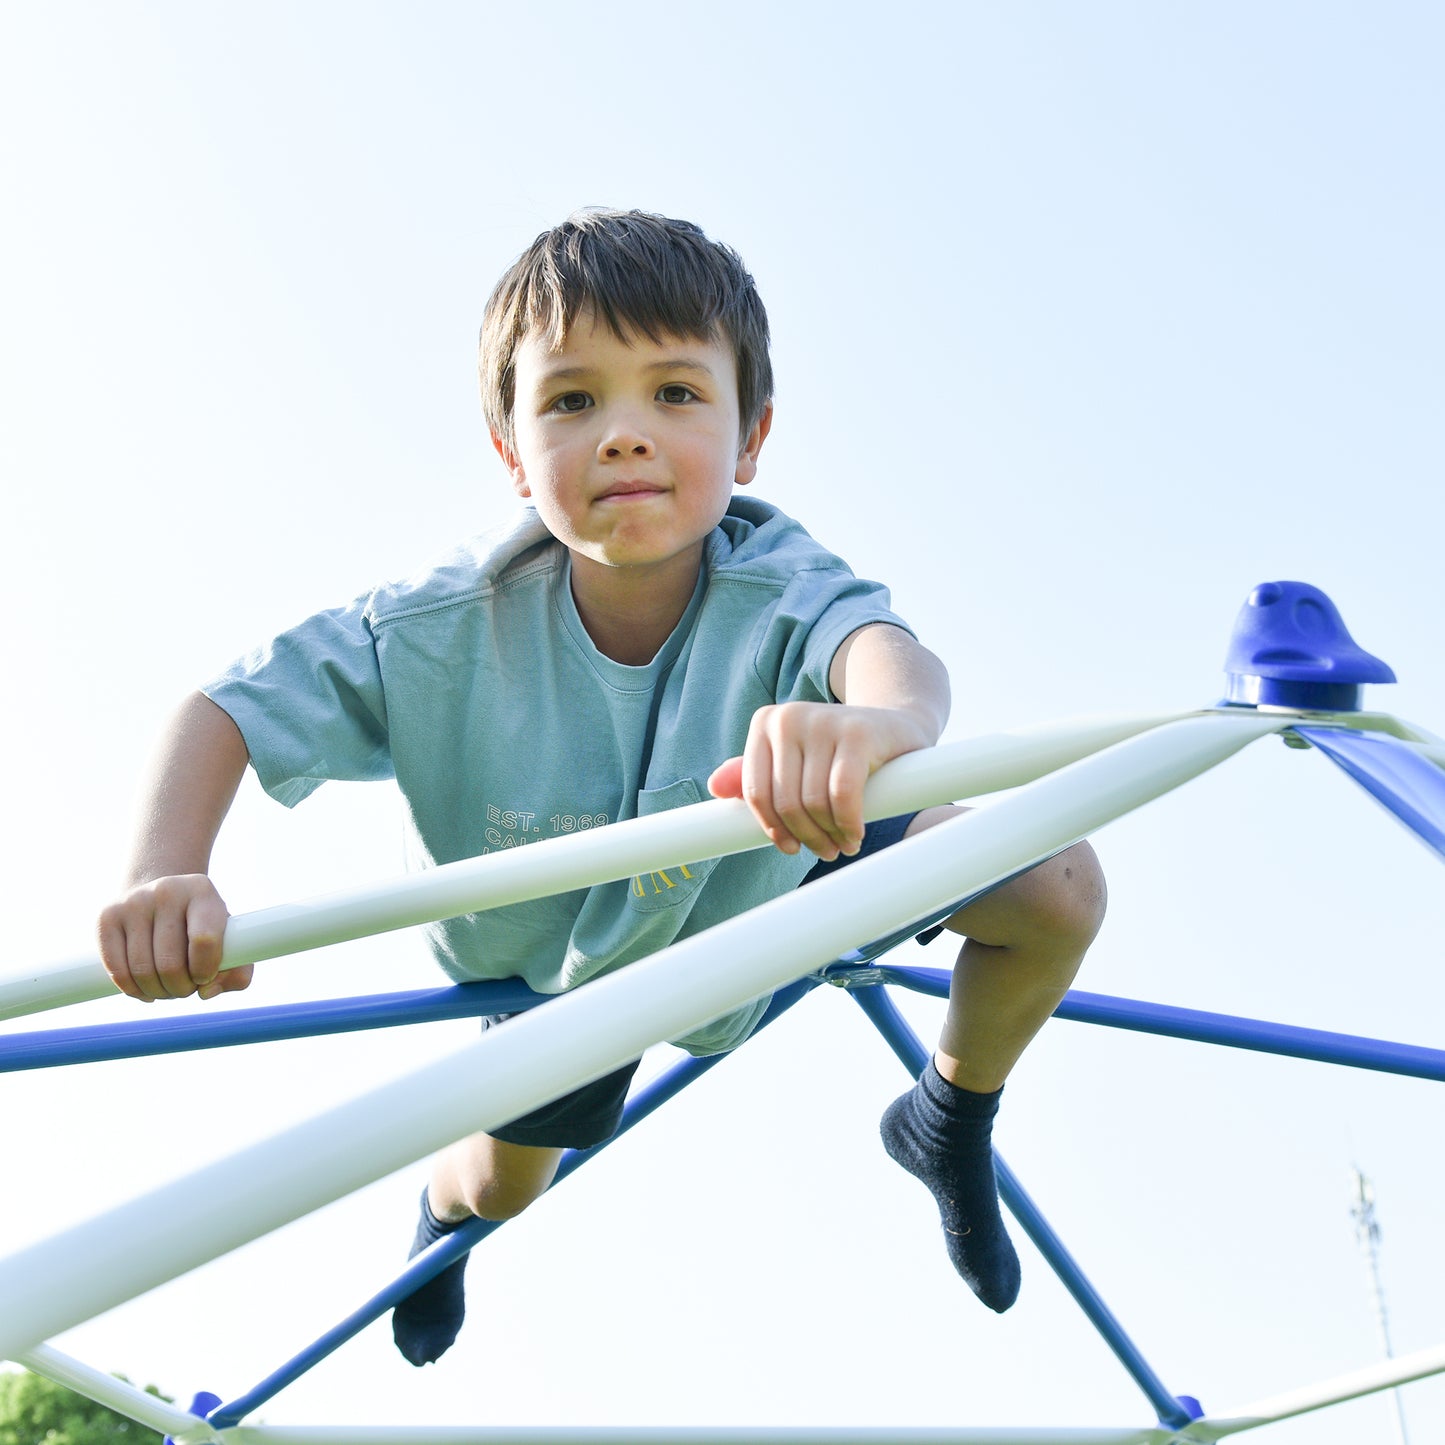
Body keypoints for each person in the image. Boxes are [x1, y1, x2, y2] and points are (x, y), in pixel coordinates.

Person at [97, 209, 1106, 1366]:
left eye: (675, 393)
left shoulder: (778, 579)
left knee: (1056, 883)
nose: (625, 434)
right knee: (504, 1182)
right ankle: (445, 1212)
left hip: (771, 875)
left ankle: (947, 1111)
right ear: (511, 455)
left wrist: (880, 722)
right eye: (573, 400)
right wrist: (163, 867)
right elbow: (224, 706)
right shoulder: (437, 624)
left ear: (750, 436)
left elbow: (885, 649)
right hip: (561, 972)